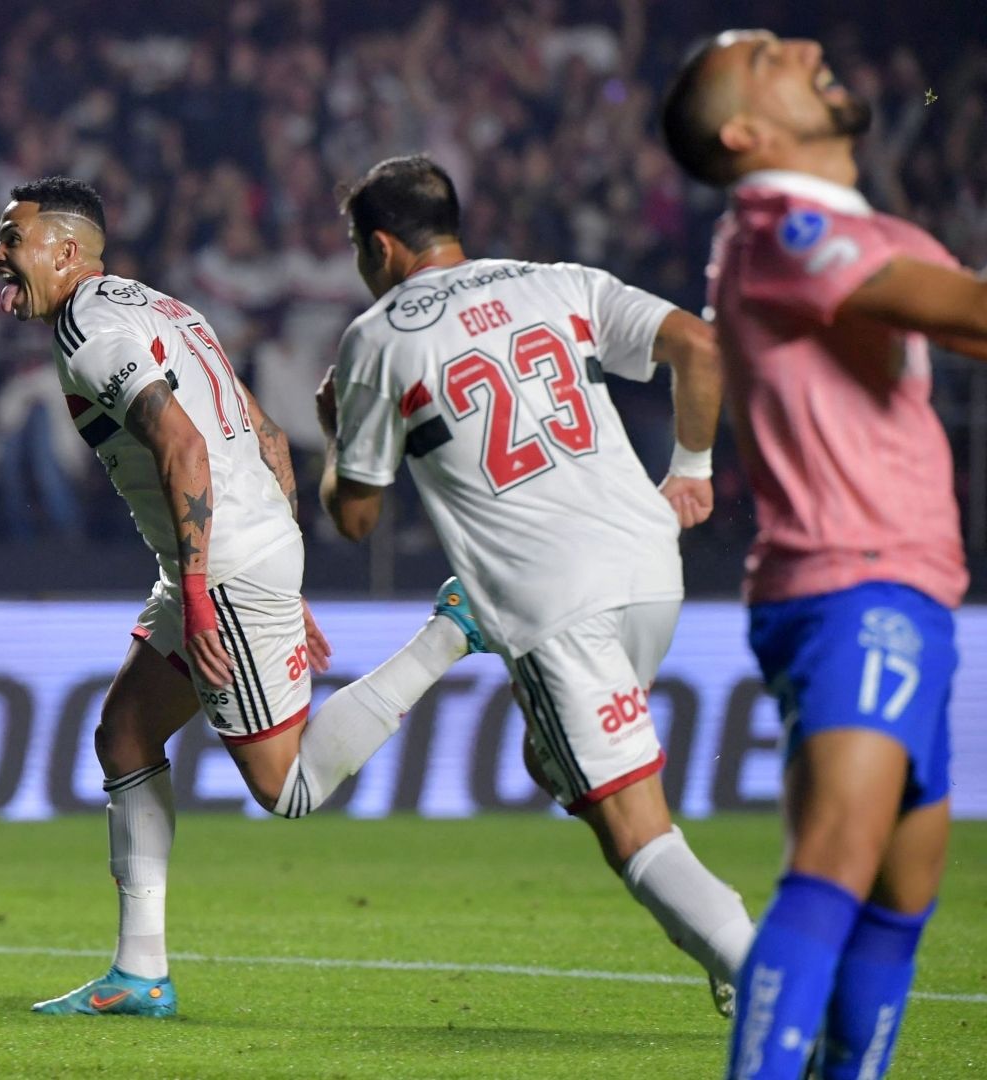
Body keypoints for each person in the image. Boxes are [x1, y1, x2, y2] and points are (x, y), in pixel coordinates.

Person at [0, 176, 487, 1018]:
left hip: (213, 562)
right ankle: (139, 975)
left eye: (14, 240)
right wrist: (277, 561)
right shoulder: (161, 307)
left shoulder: (88, 325)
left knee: (286, 787)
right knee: (125, 733)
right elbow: (261, 432)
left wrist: (204, 589)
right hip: (234, 548)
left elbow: (183, 446)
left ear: (67, 251)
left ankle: (454, 627)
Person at [318, 155, 752, 1018]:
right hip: (651, 570)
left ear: (381, 247)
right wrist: (693, 470)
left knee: (634, 832)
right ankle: (726, 942)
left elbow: (356, 517)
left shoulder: (378, 335)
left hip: (557, 602)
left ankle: (763, 970)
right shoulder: (558, 282)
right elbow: (700, 346)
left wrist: (338, 436)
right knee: (549, 759)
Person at [662, 32, 986, 1079]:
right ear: (743, 133)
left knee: (901, 897)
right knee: (837, 866)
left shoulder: (868, 229)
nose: (800, 44)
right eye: (761, 56)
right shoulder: (783, 229)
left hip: (912, 587)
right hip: (853, 579)